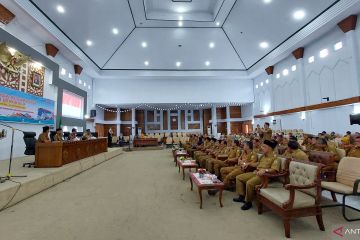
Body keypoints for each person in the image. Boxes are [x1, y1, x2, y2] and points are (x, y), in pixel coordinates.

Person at [233, 139, 279, 210]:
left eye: (264, 147)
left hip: (265, 176)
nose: (262, 148)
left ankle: (248, 202)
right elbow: (258, 163)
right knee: (238, 177)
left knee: (249, 183)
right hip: (256, 172)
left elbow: (274, 170)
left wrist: (265, 170)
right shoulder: (263, 156)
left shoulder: (275, 158)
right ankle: (241, 196)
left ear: (269, 148)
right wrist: (249, 164)